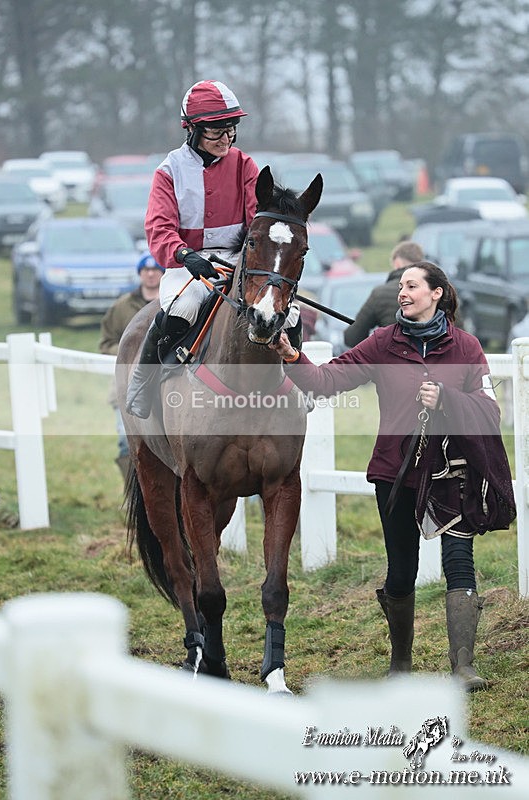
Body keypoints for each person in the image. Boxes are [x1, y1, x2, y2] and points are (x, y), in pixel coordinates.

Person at [271, 261, 516, 691]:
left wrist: (446, 399)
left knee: (460, 563)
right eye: (401, 286)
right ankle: (400, 663)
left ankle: (463, 668)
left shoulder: (466, 347)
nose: (402, 292)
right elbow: (326, 381)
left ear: (436, 293)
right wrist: (293, 357)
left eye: (412, 285)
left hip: (451, 471)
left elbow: (489, 411)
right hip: (396, 474)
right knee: (401, 572)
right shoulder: (384, 342)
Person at [125, 79, 301, 419]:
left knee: (289, 312)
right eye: (216, 132)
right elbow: (159, 229)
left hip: (241, 260)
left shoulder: (245, 165)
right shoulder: (169, 171)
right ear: (192, 130)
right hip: (188, 262)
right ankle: (144, 383)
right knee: (182, 308)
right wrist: (185, 255)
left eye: (231, 130)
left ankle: (298, 383)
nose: (226, 139)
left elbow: (259, 221)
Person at [99, 251, 164, 478]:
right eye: (146, 270)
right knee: (126, 443)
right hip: (126, 385)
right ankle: (132, 489)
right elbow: (106, 342)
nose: (150, 274)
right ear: (140, 273)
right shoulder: (122, 307)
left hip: (165, 383)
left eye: (155, 269)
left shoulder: (173, 301)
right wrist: (130, 353)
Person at [343, 240, 424, 348]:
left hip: (393, 356)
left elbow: (352, 338)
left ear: (397, 263)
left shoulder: (380, 294)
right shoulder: (437, 290)